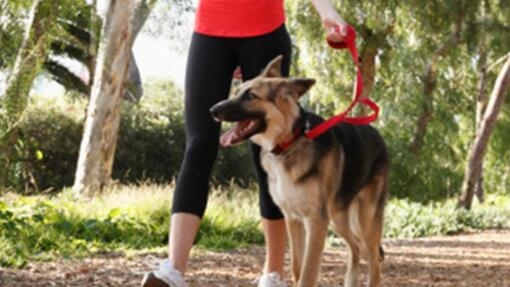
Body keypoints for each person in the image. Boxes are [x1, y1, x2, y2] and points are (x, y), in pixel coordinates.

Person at [141, 1, 347, 286]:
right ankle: (173, 271)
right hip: (210, 29)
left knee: (270, 145)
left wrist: (327, 13)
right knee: (199, 144)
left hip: (265, 29)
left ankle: (273, 274)